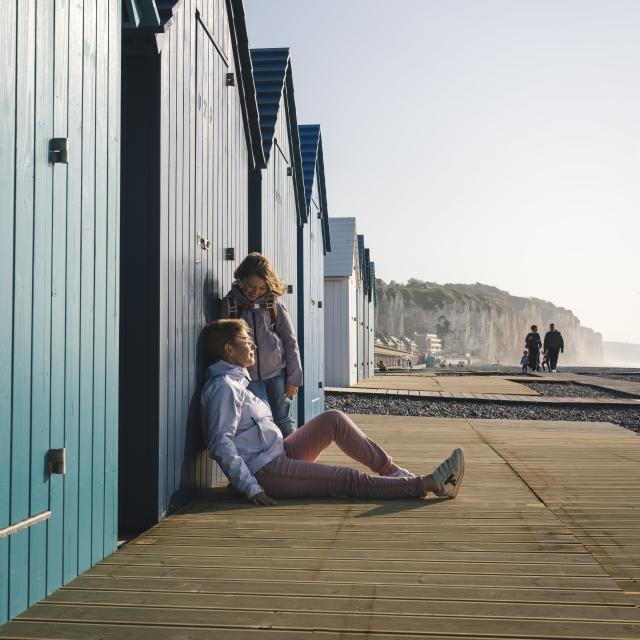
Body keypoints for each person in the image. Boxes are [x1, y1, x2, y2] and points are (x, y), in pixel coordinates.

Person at [201, 319, 466, 505]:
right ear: (229, 350)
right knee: (345, 479)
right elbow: (220, 442)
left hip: (279, 454)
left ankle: (395, 473)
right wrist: (249, 487)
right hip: (267, 472)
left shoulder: (237, 382)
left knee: (333, 419)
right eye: (246, 341)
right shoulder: (224, 388)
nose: (253, 345)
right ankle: (429, 484)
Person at [219, 253, 302, 437]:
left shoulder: (274, 305)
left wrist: (294, 377)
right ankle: (275, 463)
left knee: (284, 418)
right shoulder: (231, 305)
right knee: (262, 420)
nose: (255, 292)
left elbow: (290, 340)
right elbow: (224, 345)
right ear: (241, 278)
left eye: (262, 288)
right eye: (251, 287)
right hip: (250, 377)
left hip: (277, 374)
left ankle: (296, 458)